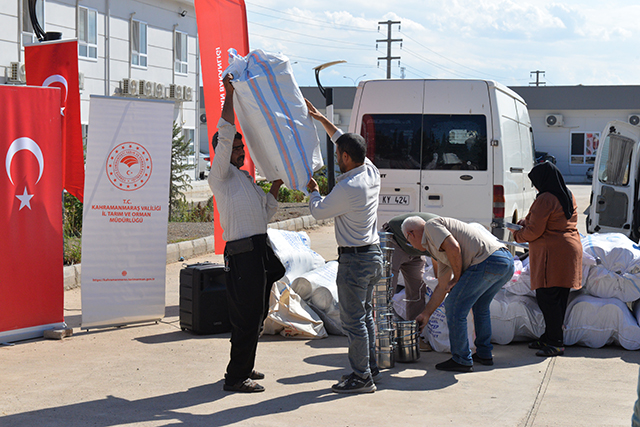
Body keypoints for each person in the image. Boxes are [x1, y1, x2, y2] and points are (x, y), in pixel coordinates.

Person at [208, 74, 286, 393]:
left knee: (257, 314)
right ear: (223, 153)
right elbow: (224, 133)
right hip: (242, 255)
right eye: (236, 148)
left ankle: (245, 366)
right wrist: (229, 95)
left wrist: (276, 188)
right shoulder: (222, 176)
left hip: (257, 251)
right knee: (245, 316)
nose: (240, 151)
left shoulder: (244, 180)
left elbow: (264, 213)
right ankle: (235, 377)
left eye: (242, 147)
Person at [305, 99, 383, 394]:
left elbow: (318, 211)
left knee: (354, 323)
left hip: (354, 262)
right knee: (366, 316)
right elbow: (343, 139)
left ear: (347, 158)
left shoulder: (347, 188)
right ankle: (370, 366)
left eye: (338, 155)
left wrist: (313, 192)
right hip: (372, 257)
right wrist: (322, 120)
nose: (336, 157)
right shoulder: (369, 171)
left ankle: (362, 377)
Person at [403, 216, 514, 372]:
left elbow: (454, 248)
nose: (411, 246)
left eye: (408, 241)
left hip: (487, 261)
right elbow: (442, 287)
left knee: (454, 306)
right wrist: (426, 314)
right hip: (505, 262)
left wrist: (457, 277)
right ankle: (484, 353)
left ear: (411, 233)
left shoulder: (431, 226)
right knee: (480, 306)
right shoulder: (438, 249)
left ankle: (461, 359)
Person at [509, 161, 582, 357]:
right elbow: (548, 220)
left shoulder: (545, 199)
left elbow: (533, 231)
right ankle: (550, 336)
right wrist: (527, 222)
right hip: (568, 250)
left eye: (535, 182)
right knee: (559, 298)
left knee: (547, 297)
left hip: (552, 253)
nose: (535, 186)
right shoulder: (567, 194)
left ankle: (556, 342)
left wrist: (517, 234)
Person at [381, 212, 439, 321]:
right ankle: (384, 328)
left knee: (417, 289)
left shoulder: (439, 236)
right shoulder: (433, 233)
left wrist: (439, 285)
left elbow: (437, 264)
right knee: (387, 288)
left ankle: (415, 331)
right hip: (394, 241)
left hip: (414, 250)